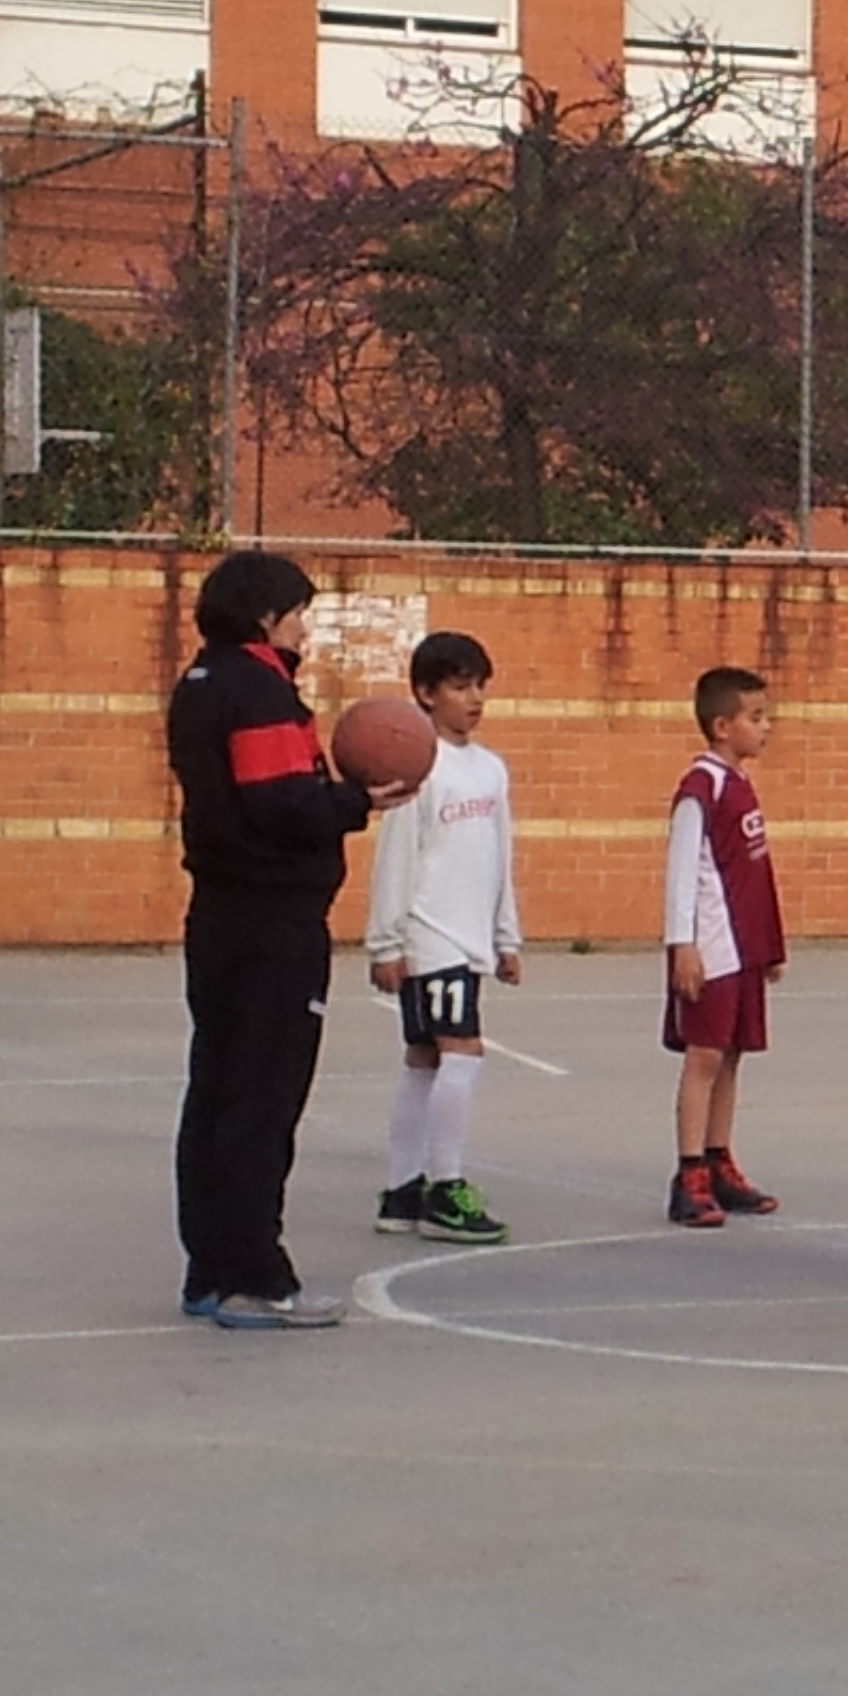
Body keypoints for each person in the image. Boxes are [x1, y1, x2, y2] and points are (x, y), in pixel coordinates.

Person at [168, 550, 412, 1331]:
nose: (305, 627)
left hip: (219, 915)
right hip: (270, 924)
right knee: (262, 1100)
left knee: (216, 1091)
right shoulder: (258, 690)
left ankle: (209, 1267)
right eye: (299, 613)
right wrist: (356, 800)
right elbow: (280, 804)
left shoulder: (199, 683)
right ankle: (255, 1277)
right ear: (265, 615)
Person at [365, 630, 522, 1246]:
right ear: (426, 694)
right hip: (431, 936)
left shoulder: (490, 769)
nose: (474, 698)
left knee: (425, 1057)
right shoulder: (417, 766)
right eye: (460, 687)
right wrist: (386, 943)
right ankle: (444, 1187)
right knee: (462, 1051)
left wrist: (506, 936)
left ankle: (402, 1189)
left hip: (471, 937)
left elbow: (500, 856)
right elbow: (396, 859)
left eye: (480, 686)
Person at [663, 666, 788, 1229]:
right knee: (705, 1056)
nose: (766, 726)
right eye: (755, 717)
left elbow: (755, 874)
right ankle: (688, 1171)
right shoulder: (701, 788)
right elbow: (681, 871)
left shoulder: (740, 784)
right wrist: (682, 944)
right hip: (712, 945)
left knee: (732, 1054)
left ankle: (719, 1159)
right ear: (721, 726)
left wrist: (770, 945)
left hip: (744, 948)